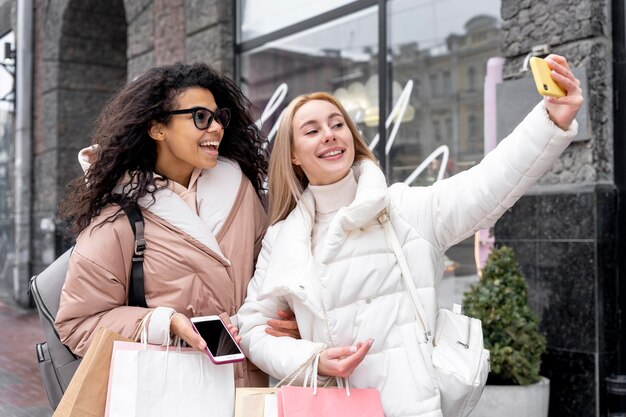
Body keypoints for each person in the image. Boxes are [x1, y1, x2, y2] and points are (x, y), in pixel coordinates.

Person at [237, 54, 583, 415]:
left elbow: (485, 185)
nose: (329, 135)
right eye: (312, 130)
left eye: (337, 124)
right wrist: (312, 358)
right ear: (293, 155)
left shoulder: (403, 209)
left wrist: (549, 121)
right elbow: (252, 328)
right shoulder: (283, 237)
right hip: (329, 406)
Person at [55, 62, 298, 387]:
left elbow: (270, 273)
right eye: (200, 117)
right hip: (172, 389)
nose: (216, 128)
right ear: (158, 128)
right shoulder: (118, 214)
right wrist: (164, 324)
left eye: (218, 117)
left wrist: (287, 317)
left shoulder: (239, 191)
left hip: (248, 384)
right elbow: (78, 322)